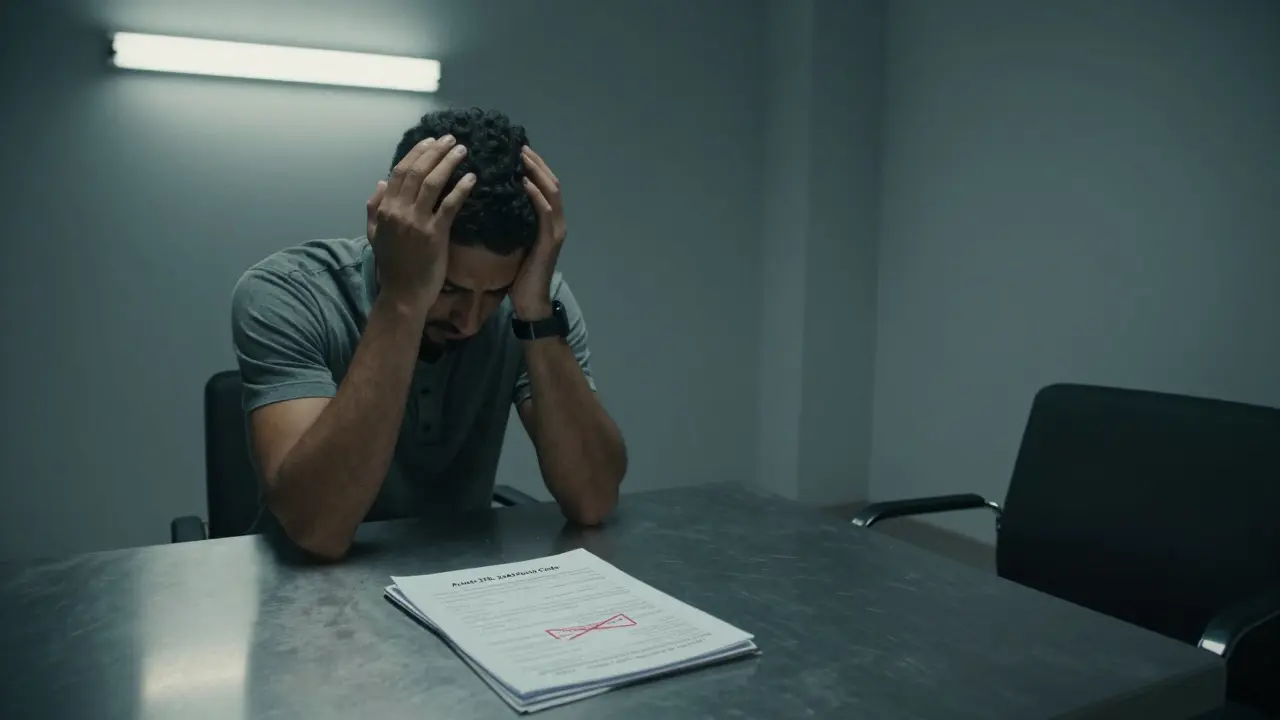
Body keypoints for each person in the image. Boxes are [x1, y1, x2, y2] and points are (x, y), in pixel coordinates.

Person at [231, 108, 627, 560]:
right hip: (304, 592)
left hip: (457, 579)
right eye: (448, 288)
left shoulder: (531, 299)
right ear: (388, 230)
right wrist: (404, 298)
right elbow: (318, 530)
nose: (470, 321)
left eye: (494, 293)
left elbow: (593, 500)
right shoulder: (286, 292)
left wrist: (535, 313)